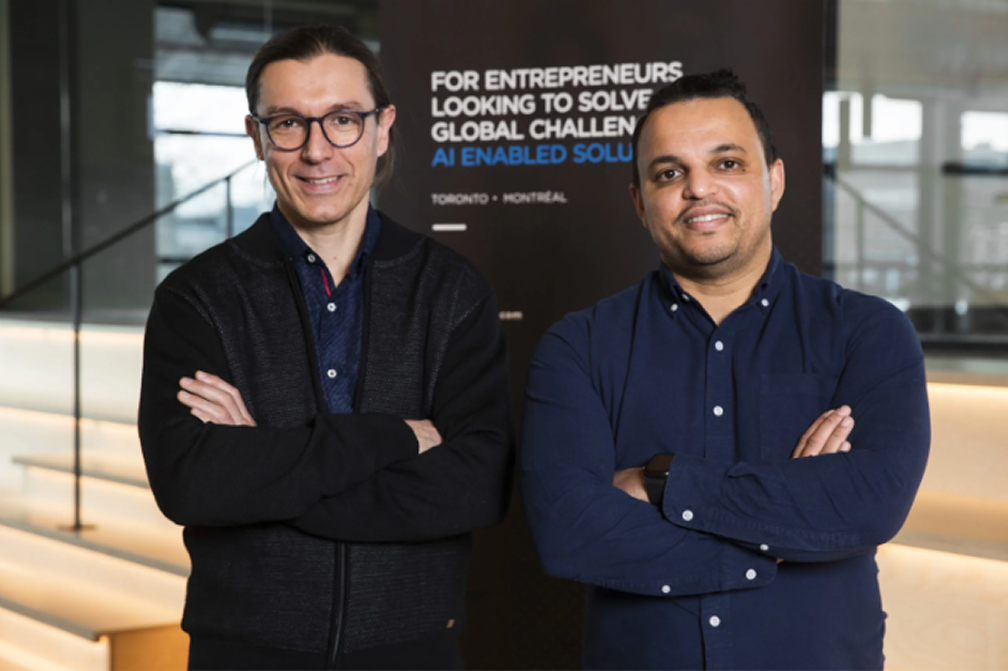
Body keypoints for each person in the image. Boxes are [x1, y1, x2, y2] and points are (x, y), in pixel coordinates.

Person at [519, 70, 930, 670]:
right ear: (639, 202)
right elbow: (568, 531)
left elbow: (871, 503)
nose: (698, 189)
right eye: (669, 173)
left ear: (774, 181)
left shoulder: (868, 332)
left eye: (727, 163)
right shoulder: (577, 345)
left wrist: (661, 482)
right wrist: (780, 534)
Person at [138, 25, 513, 670]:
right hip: (245, 653)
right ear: (257, 137)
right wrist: (394, 438)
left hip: (413, 650)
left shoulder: (452, 290)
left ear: (382, 128)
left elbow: (475, 486)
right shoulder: (197, 297)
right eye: (288, 123)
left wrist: (268, 466)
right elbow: (192, 485)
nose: (317, 151)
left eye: (342, 120)